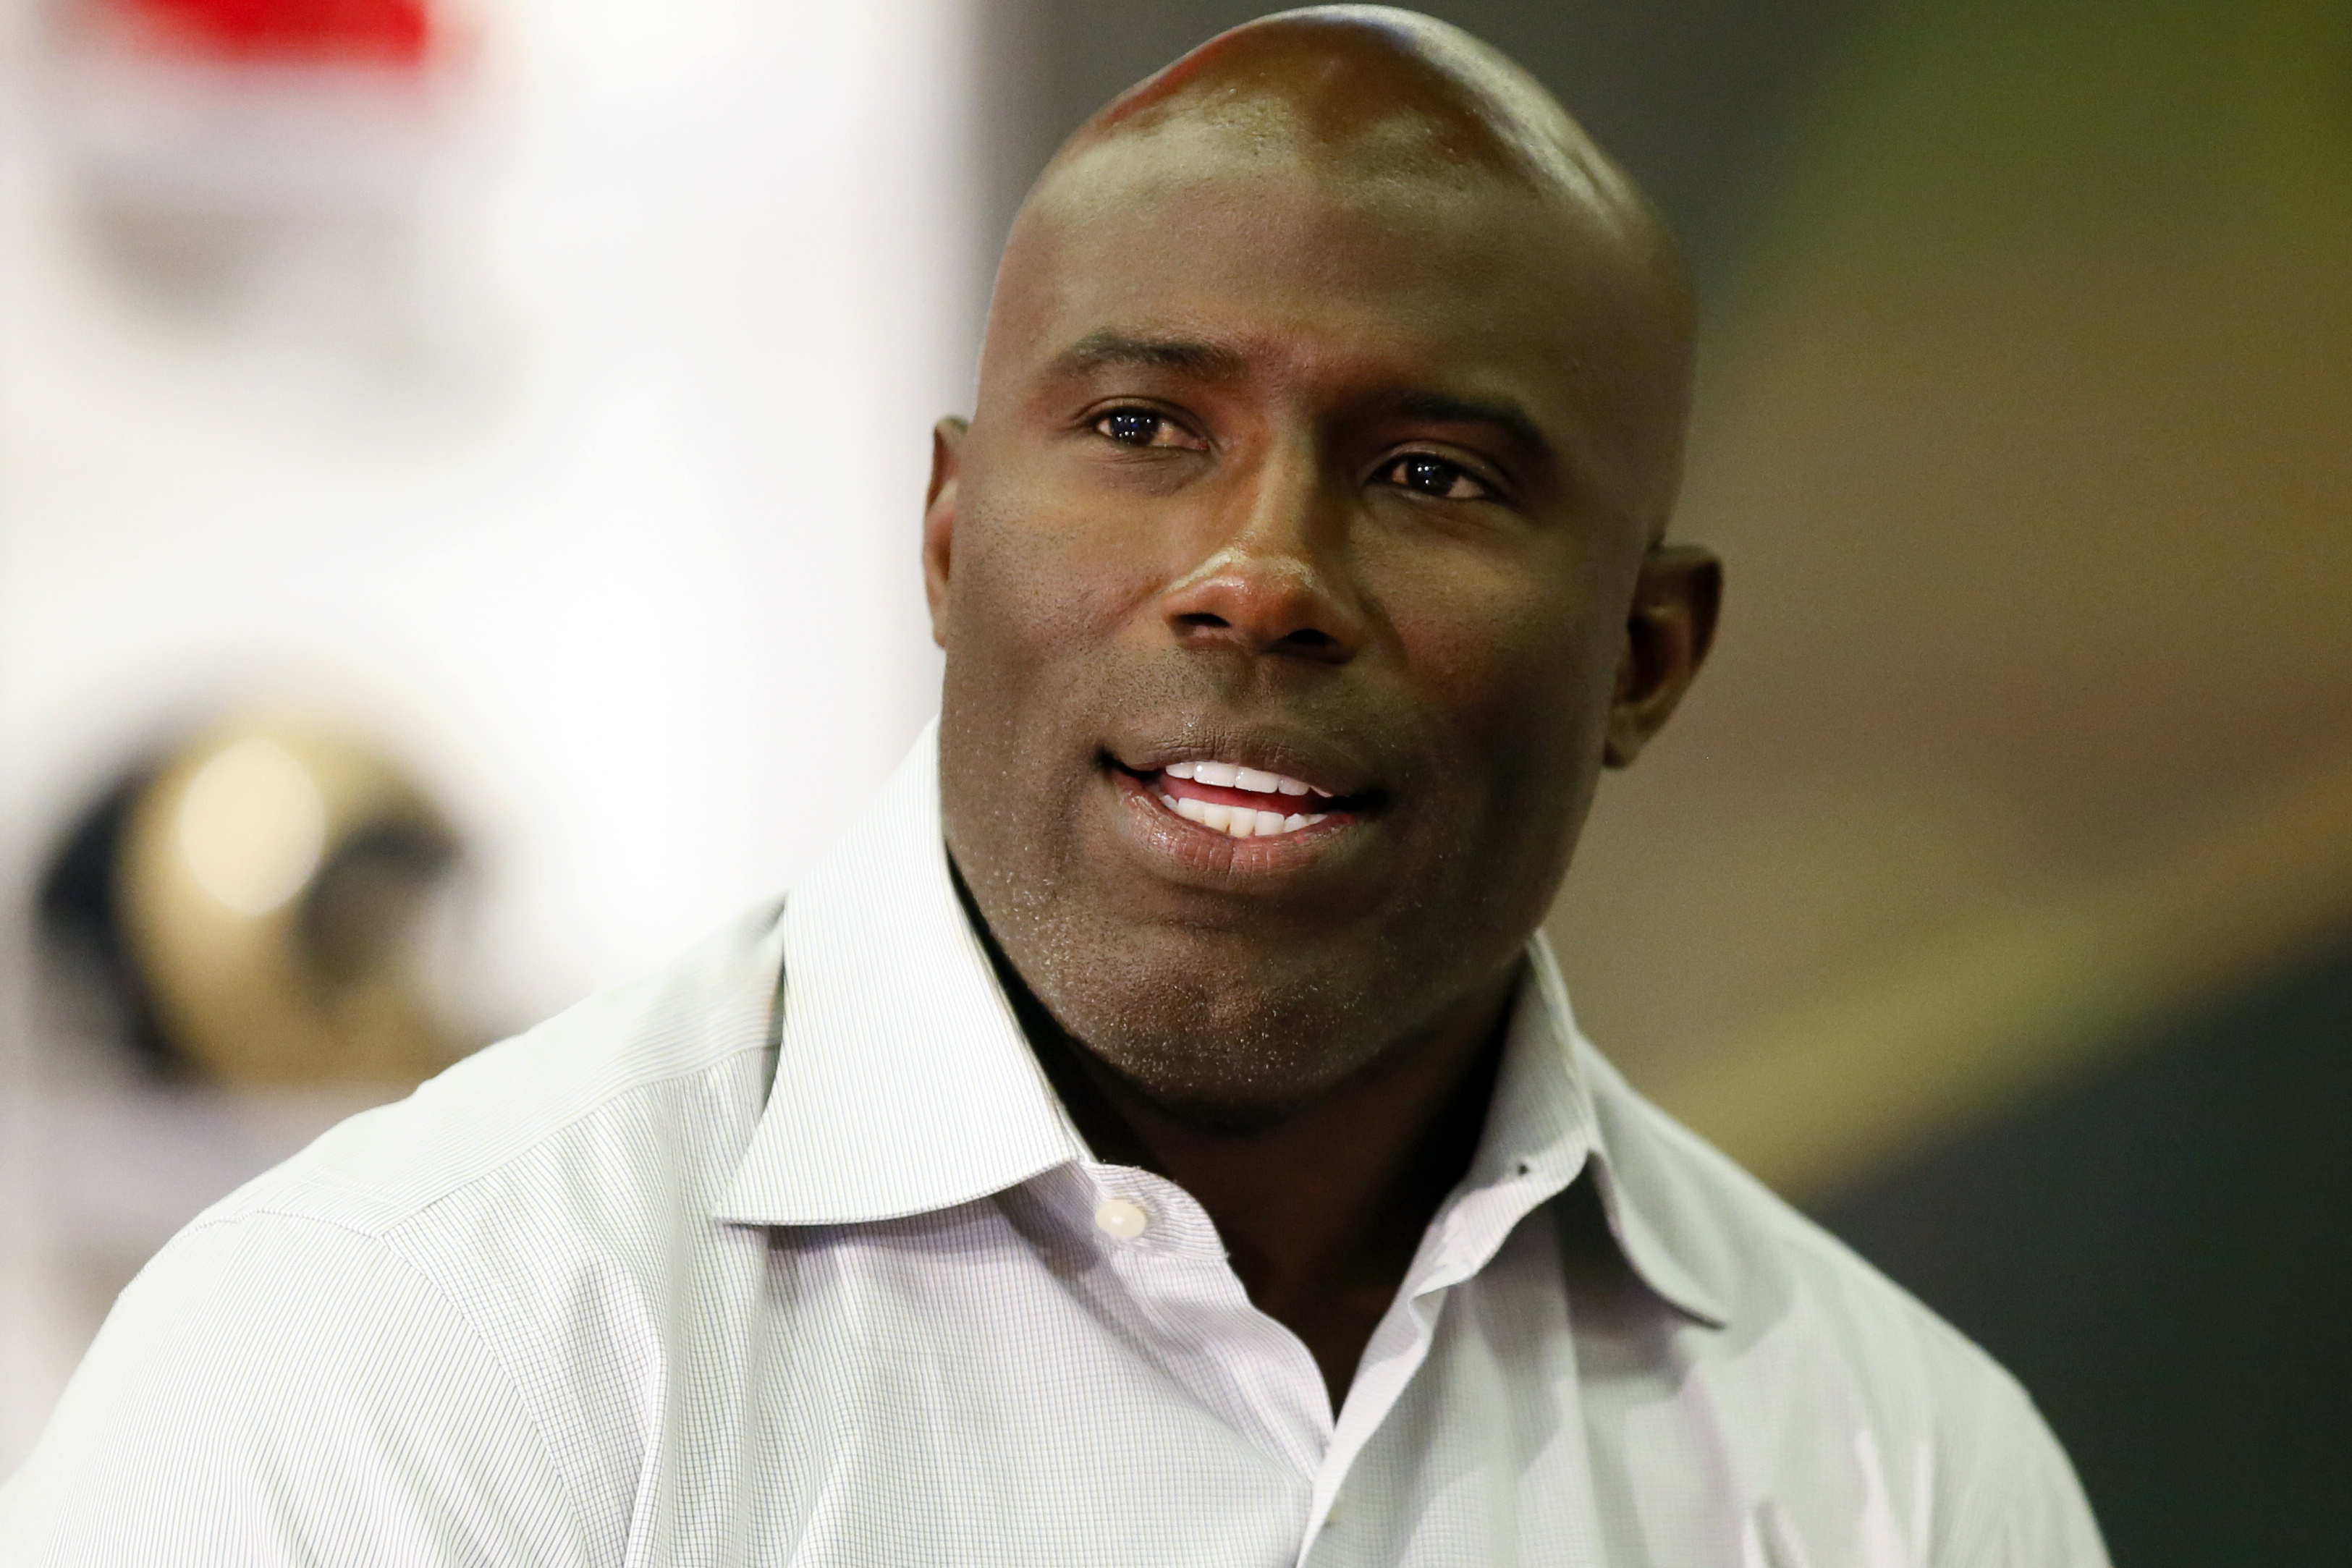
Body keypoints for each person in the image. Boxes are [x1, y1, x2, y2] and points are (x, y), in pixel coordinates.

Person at [0, 7, 2110, 1564]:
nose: (1263, 575)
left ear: (1647, 655)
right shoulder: (402, 1346)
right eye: (1140, 428)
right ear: (942, 537)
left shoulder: (1901, 1475)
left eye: (1433, 475)